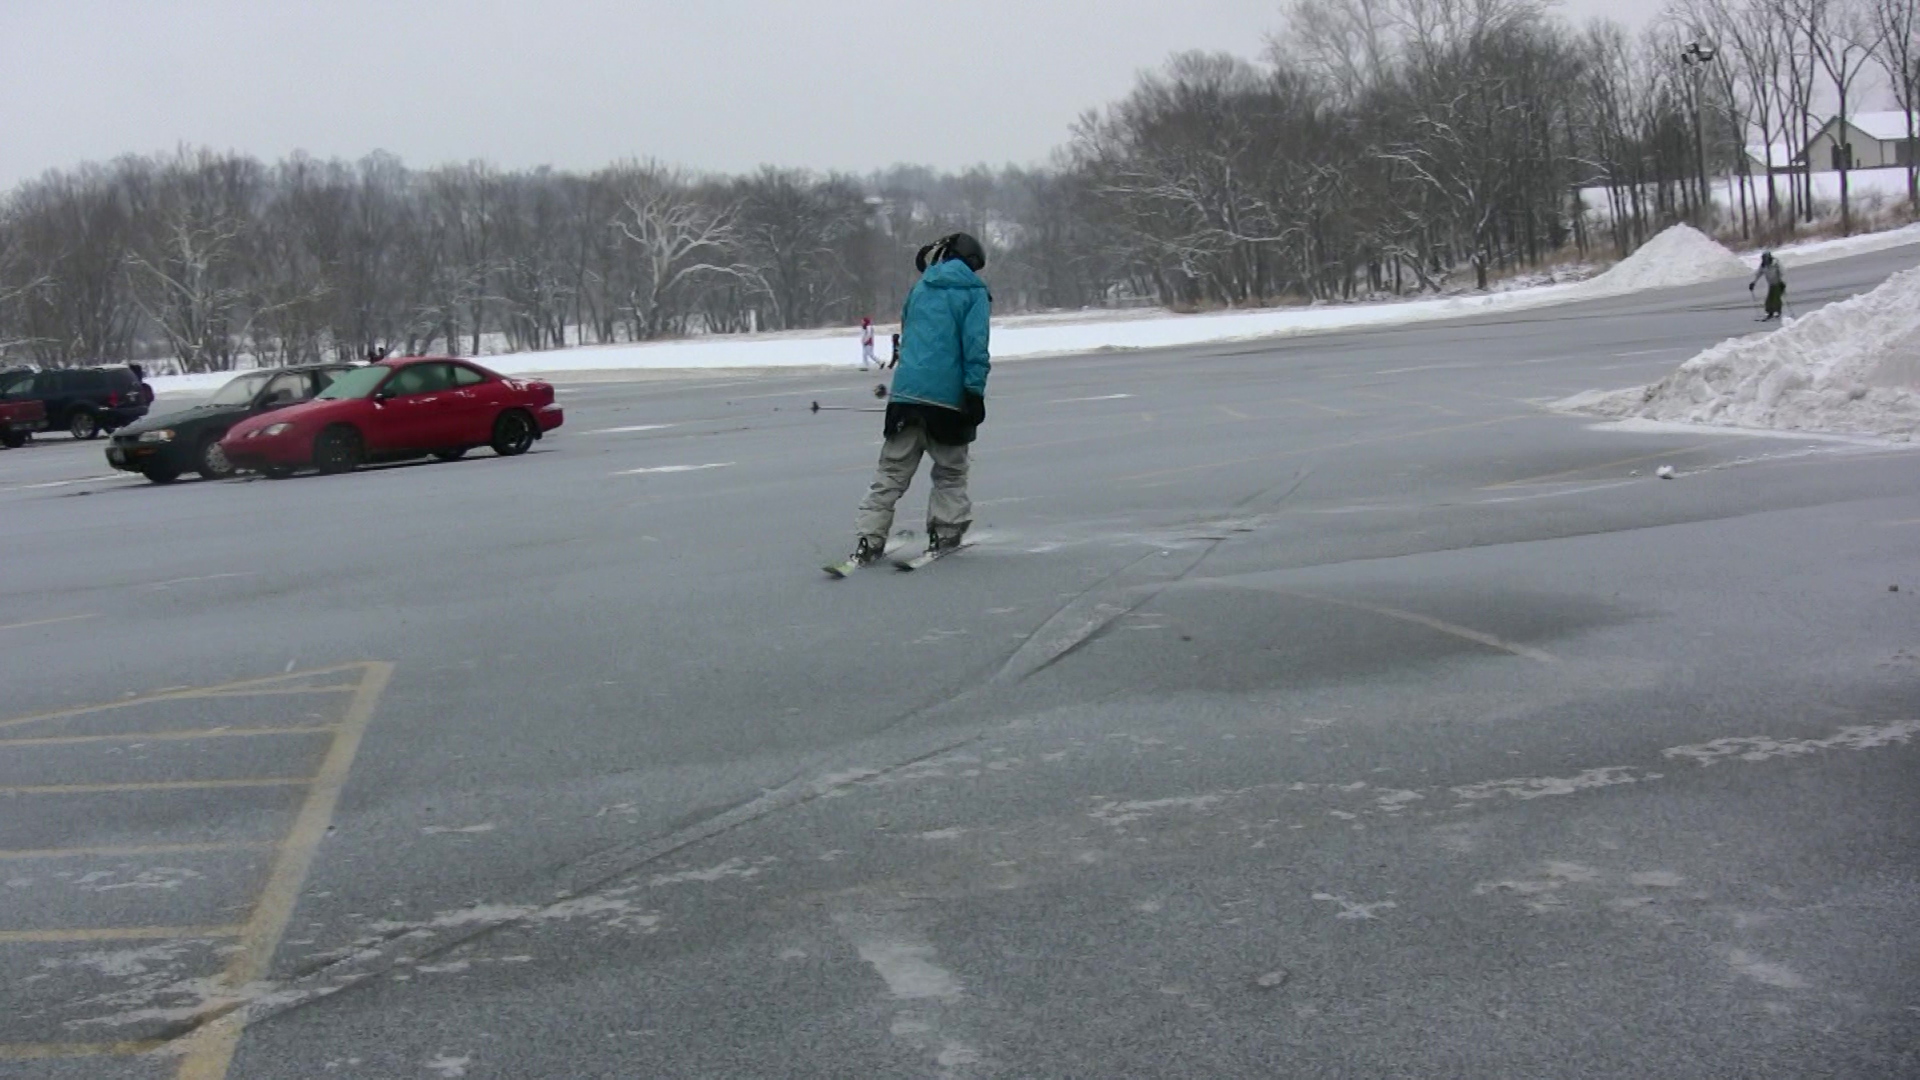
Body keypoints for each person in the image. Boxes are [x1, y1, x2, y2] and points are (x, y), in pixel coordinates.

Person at [843, 232, 990, 567]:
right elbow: (975, 348)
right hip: (948, 400)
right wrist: (974, 393)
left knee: (891, 472)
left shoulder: (920, 288)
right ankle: (946, 529)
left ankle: (869, 537)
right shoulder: (974, 294)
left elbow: (909, 337)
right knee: (950, 470)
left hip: (906, 395)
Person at [1750, 252, 1786, 321]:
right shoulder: (1763, 265)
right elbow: (1758, 274)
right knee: (1769, 299)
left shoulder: (1776, 263)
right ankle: (1770, 313)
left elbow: (1782, 272)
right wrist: (1753, 283)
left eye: (1766, 259)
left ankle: (1777, 312)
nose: (1765, 261)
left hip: (1778, 283)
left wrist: (1782, 281)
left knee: (1776, 298)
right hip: (1771, 284)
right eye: (1764, 259)